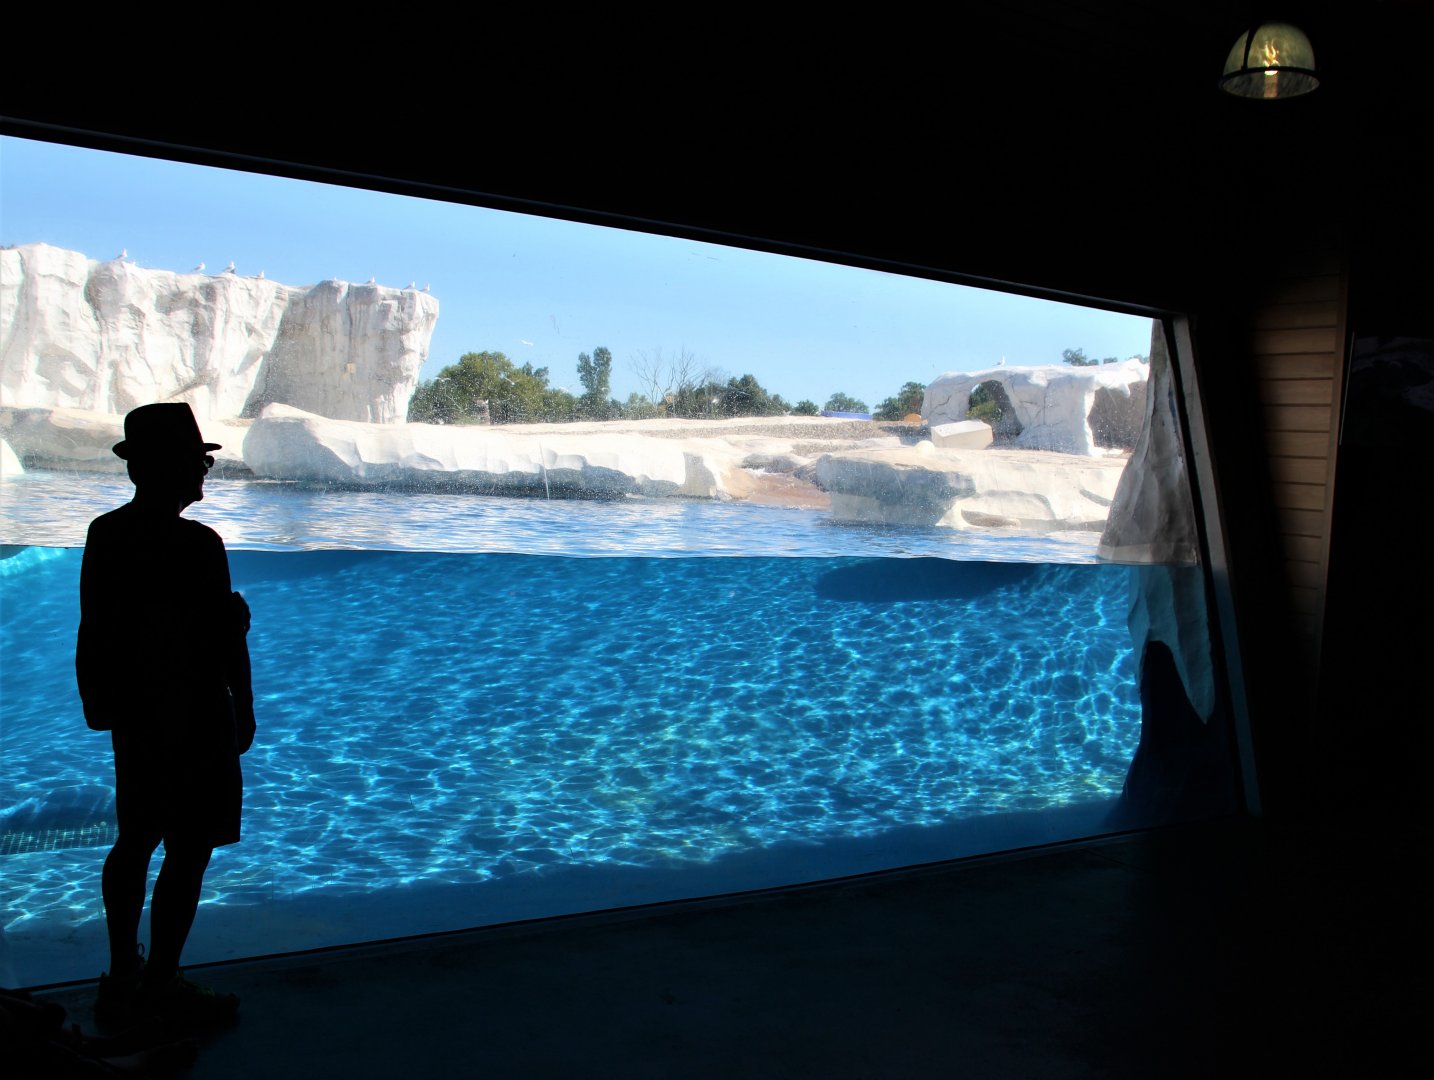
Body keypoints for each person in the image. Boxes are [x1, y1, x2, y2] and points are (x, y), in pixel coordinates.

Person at [75, 402, 256, 1030]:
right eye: (197, 460)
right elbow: (221, 635)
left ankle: (123, 973)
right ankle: (161, 981)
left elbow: (94, 631)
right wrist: (244, 707)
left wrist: (100, 705)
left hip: (140, 717)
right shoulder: (199, 543)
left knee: (136, 840)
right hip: (198, 715)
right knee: (189, 849)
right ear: (167, 468)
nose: (204, 469)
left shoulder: (108, 533)